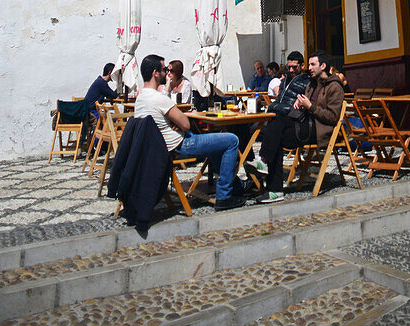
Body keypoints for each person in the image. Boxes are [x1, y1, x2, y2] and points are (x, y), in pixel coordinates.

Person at [134, 54, 245, 211]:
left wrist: (172, 122)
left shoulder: (141, 98)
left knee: (215, 146)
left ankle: (235, 185)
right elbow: (186, 124)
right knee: (231, 140)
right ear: (155, 73)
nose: (167, 73)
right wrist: (177, 122)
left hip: (159, 147)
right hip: (179, 146)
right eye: (164, 69)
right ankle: (224, 196)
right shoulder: (158, 98)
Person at [255, 51, 344, 204]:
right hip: (305, 125)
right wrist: (299, 103)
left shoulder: (334, 87)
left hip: (319, 130)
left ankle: (266, 166)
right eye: (309, 64)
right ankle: (274, 190)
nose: (309, 68)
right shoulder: (312, 84)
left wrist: (310, 106)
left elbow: (332, 117)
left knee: (276, 131)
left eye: (312, 64)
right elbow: (305, 105)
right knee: (276, 127)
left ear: (323, 66)